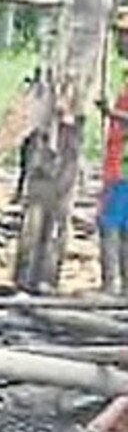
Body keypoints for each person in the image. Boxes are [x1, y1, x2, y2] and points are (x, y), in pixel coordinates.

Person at [96, 33, 128, 295]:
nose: (121, 43)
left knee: (109, 223)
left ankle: (111, 283)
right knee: (123, 227)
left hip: (123, 167)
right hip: (119, 162)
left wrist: (110, 113)